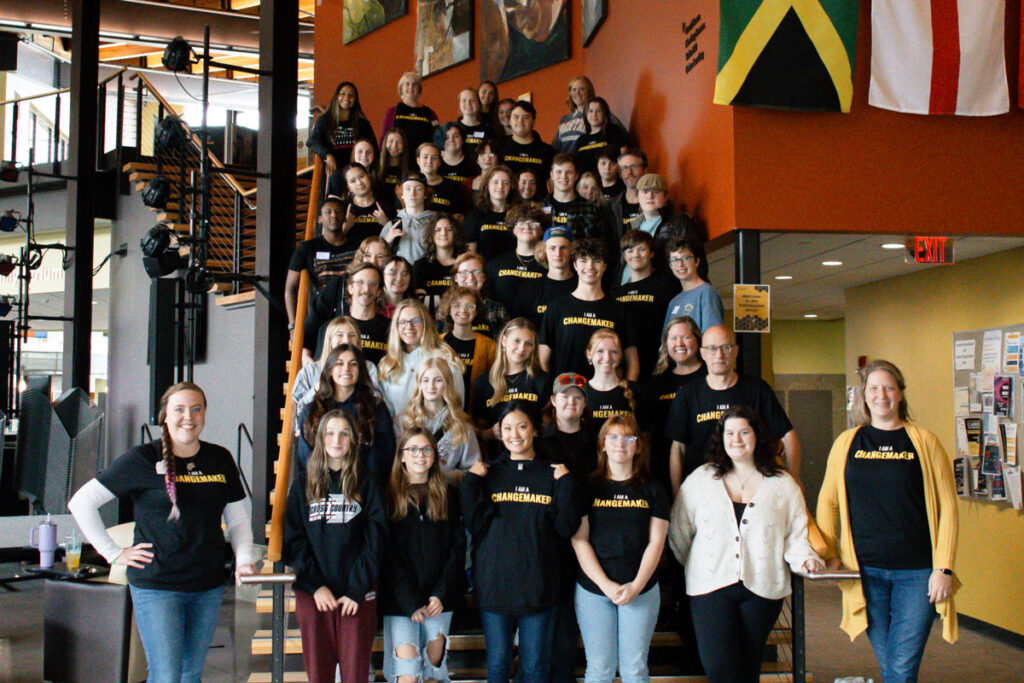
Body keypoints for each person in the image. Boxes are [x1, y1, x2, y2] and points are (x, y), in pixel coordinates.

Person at [67, 382, 257, 683]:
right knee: (166, 675)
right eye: (179, 409)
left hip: (207, 584)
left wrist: (244, 558)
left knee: (190, 674)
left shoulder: (219, 458)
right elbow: (81, 502)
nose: (188, 417)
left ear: (205, 414)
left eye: (196, 409)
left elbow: (237, 520)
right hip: (157, 584)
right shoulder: (141, 458)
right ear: (164, 416)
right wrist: (113, 553)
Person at [817, 360, 960, 683]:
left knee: (901, 666)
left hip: (919, 573)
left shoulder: (924, 442)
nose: (881, 395)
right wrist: (830, 553)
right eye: (873, 389)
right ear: (864, 396)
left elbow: (949, 508)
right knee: (891, 664)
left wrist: (944, 568)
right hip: (866, 573)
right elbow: (828, 501)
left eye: (889, 387)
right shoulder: (847, 442)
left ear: (900, 394)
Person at [670, 406, 823, 683]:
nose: (736, 439)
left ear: (757, 436)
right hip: (709, 588)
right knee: (719, 668)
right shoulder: (700, 480)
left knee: (748, 668)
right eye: (730, 433)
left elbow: (796, 535)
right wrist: (700, 564)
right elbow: (679, 535)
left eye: (744, 432)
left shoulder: (783, 484)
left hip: (763, 589)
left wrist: (806, 559)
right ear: (721, 438)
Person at [460, 402, 580, 683]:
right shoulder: (488, 475)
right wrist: (469, 484)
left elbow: (566, 528)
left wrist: (566, 485)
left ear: (535, 430)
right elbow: (474, 526)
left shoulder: (551, 474)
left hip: (538, 585)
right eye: (507, 428)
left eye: (522, 426)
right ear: (499, 433)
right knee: (498, 666)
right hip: (495, 586)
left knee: (537, 668)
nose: (515, 434)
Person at [283, 408, 387, 683]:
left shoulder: (368, 483)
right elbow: (293, 542)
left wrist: (357, 589)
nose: (336, 439)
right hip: (314, 594)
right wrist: (315, 586)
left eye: (343, 433)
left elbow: (375, 541)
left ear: (353, 439)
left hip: (356, 595)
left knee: (355, 675)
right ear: (320, 438)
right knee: (319, 675)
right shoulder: (302, 483)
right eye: (330, 433)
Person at [572, 415, 670, 683]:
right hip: (594, 589)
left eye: (628, 438)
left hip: (640, 587)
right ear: (602, 444)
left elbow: (657, 542)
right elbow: (580, 540)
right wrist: (605, 585)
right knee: (599, 669)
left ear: (638, 446)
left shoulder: (653, 488)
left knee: (634, 669)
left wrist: (637, 585)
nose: (620, 444)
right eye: (613, 437)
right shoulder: (588, 487)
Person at [666, 325, 800, 492]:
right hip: (702, 491)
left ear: (736, 351)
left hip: (753, 489)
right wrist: (677, 493)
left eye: (726, 347)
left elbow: (788, 434)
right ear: (702, 353)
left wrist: (794, 478)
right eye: (712, 348)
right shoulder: (688, 395)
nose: (719, 355)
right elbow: (678, 449)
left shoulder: (757, 389)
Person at [381, 427, 466, 683]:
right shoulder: (388, 496)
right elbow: (388, 555)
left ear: (435, 455)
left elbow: (457, 547)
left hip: (438, 600)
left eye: (427, 449)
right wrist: (410, 601)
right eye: (413, 449)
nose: (420, 455)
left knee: (433, 670)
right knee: (408, 673)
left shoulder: (447, 494)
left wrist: (440, 593)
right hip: (401, 602)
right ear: (402, 456)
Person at [539, 238, 638, 381]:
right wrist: (553, 394)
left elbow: (633, 362)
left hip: (606, 394)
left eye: (597, 261)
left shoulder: (618, 310)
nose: (590, 266)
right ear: (575, 265)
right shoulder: (557, 308)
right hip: (567, 397)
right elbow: (542, 361)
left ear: (604, 266)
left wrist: (626, 395)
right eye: (584, 260)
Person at [296, 344, 395, 485]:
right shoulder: (311, 409)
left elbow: (385, 454)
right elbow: (305, 457)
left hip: (366, 489)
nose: (346, 369)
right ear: (330, 370)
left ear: (360, 370)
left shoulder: (375, 408)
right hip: (322, 488)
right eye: (339, 364)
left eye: (353, 364)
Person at [645, 316, 706, 494]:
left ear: (697, 340)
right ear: (666, 344)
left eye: (686, 337)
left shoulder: (711, 378)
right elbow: (647, 437)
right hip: (662, 470)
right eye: (673, 338)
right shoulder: (656, 385)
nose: (679, 343)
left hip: (705, 470)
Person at [395, 358, 482, 481]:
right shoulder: (403, 421)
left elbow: (473, 470)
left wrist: (446, 477)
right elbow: (396, 466)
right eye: (425, 380)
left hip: (448, 494)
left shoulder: (461, 425)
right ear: (419, 384)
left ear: (447, 384)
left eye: (438, 380)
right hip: (412, 493)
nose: (431, 386)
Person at [472, 318, 549, 452]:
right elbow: (478, 432)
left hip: (535, 457)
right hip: (497, 460)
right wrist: (490, 433)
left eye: (528, 344)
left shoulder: (541, 381)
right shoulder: (483, 383)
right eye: (517, 341)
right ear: (504, 341)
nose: (521, 348)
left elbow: (549, 426)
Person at [377, 298, 464, 417]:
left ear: (425, 323)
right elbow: (388, 413)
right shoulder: (388, 364)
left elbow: (457, 407)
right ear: (395, 327)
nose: (409, 326)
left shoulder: (445, 358)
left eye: (415, 321)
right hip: (401, 433)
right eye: (402, 322)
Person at [614, 230, 681, 380]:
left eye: (641, 249)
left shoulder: (666, 285)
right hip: (626, 364)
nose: (635, 255)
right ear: (625, 256)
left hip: (658, 363)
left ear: (651, 253)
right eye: (630, 251)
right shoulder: (617, 293)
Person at [285, 198, 359, 331]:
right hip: (322, 313)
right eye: (328, 212)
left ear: (344, 217)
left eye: (338, 212)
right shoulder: (307, 248)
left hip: (354, 311)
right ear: (320, 219)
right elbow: (290, 288)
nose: (334, 216)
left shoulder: (358, 246)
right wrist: (292, 325)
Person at [294, 315, 381, 423]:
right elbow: (298, 411)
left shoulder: (368, 368)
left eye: (351, 335)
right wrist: (317, 388)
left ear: (358, 341)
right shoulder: (308, 372)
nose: (346, 340)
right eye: (339, 335)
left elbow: (376, 403)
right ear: (329, 340)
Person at [303, 263, 391, 366]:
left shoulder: (390, 327)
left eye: (372, 284)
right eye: (360, 282)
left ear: (379, 292)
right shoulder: (330, 327)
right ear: (350, 288)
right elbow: (322, 367)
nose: (366, 289)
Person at [626, 173, 701, 273]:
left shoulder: (679, 222)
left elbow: (696, 257)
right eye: (645, 191)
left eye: (656, 191)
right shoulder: (631, 227)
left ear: (665, 197)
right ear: (638, 197)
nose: (650, 196)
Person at [485, 201, 547, 318]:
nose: (527, 227)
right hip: (502, 326)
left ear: (542, 230)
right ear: (513, 228)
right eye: (522, 223)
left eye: (533, 223)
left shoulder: (549, 265)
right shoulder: (497, 263)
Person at [439, 286, 497, 403]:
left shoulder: (489, 346)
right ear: (449, 309)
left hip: (477, 413)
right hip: (444, 412)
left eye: (469, 306)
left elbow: (494, 383)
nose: (463, 310)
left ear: (476, 311)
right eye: (457, 305)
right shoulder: (438, 342)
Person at [308, 81, 377, 177]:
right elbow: (312, 141)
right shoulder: (325, 121)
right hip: (333, 174)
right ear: (336, 96)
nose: (346, 98)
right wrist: (327, 155)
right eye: (342, 94)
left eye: (351, 95)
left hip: (357, 175)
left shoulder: (363, 124)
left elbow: (374, 148)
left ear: (355, 99)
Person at [584, 328, 645, 436]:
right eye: (600, 351)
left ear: (620, 356)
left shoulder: (636, 392)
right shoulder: (580, 392)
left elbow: (644, 438)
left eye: (613, 352)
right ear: (589, 354)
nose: (607, 358)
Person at [540, 372, 595, 481]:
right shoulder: (540, 437)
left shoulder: (595, 437)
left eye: (578, 398)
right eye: (565, 397)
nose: (571, 402)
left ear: (585, 402)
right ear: (553, 400)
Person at [325, 163, 394, 246]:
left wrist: (386, 224)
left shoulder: (386, 204)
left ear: (368, 176)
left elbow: (397, 238)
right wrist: (345, 229)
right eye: (353, 181)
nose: (359, 183)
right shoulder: (343, 208)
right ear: (349, 187)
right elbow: (331, 242)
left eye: (361, 177)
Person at [663, 235, 721, 332]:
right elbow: (666, 340)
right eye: (674, 260)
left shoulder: (706, 293)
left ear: (697, 261)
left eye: (685, 258)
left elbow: (712, 337)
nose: (680, 264)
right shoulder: (674, 302)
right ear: (670, 265)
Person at [524, 225, 577, 328]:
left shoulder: (582, 286)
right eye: (552, 248)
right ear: (544, 251)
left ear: (572, 251)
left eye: (563, 248)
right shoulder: (530, 288)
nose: (558, 253)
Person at [413, 214, 464, 319]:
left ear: (455, 234)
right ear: (431, 235)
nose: (443, 233)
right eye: (438, 230)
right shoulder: (420, 265)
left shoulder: (463, 264)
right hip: (428, 322)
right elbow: (418, 301)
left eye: (448, 229)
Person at [382, 172, 439, 264]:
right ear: (401, 195)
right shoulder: (392, 225)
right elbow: (379, 256)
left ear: (425, 194)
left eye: (418, 189)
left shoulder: (436, 221)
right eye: (408, 189)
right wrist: (387, 241)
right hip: (401, 275)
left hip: (429, 274)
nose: (413, 193)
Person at [500, 100, 554, 195]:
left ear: (533, 121)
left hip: (538, 206)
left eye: (526, 117)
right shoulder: (500, 147)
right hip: (507, 205)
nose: (520, 121)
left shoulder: (547, 151)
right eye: (516, 117)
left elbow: (553, 185)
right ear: (510, 121)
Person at [546, 154, 602, 242]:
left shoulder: (591, 208)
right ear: (551, 175)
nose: (563, 176)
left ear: (576, 176)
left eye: (569, 172)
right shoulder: (540, 206)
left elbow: (599, 245)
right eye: (559, 172)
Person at [463, 165, 515, 259]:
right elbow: (470, 254)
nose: (500, 186)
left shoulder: (518, 215)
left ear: (511, 187)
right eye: (495, 182)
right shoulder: (475, 215)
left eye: (506, 183)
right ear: (487, 185)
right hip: (484, 270)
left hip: (512, 270)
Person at [451, 252, 508, 338]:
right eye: (464, 272)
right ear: (456, 278)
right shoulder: (446, 308)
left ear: (484, 277)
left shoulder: (497, 309)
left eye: (476, 272)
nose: (471, 277)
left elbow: (503, 345)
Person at [381, 71, 439, 152]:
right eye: (407, 84)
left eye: (414, 84)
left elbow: (437, 139)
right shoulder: (392, 112)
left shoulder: (430, 114)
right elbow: (384, 138)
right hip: (398, 161)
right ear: (401, 88)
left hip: (423, 161)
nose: (411, 87)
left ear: (419, 89)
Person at [572, 97, 629, 177]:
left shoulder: (613, 131)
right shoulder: (581, 140)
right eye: (590, 111)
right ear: (585, 114)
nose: (594, 115)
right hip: (586, 184)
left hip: (609, 180)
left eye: (598, 111)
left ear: (605, 113)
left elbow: (624, 155)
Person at [416, 141, 464, 216]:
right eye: (425, 157)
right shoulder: (410, 184)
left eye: (434, 158)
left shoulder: (452, 186)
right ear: (418, 160)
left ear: (439, 162)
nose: (429, 161)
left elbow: (458, 216)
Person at [552, 75, 596, 153]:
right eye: (574, 90)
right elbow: (555, 147)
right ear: (570, 94)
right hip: (566, 163)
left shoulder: (596, 115)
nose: (577, 93)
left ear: (589, 92)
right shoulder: (564, 119)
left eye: (581, 89)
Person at [611, 149, 648, 234]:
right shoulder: (610, 207)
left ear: (645, 170)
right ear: (620, 174)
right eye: (624, 168)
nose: (629, 172)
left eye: (634, 167)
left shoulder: (656, 203)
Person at [378, 128, 411, 216]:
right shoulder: (377, 167)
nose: (394, 145)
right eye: (391, 141)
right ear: (385, 143)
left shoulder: (409, 168)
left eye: (399, 142)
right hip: (380, 214)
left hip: (402, 214)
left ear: (404, 145)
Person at [453, 88, 493, 159]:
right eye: (464, 100)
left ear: (478, 104)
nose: (468, 103)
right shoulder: (453, 129)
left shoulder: (488, 130)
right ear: (459, 104)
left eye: (472, 100)